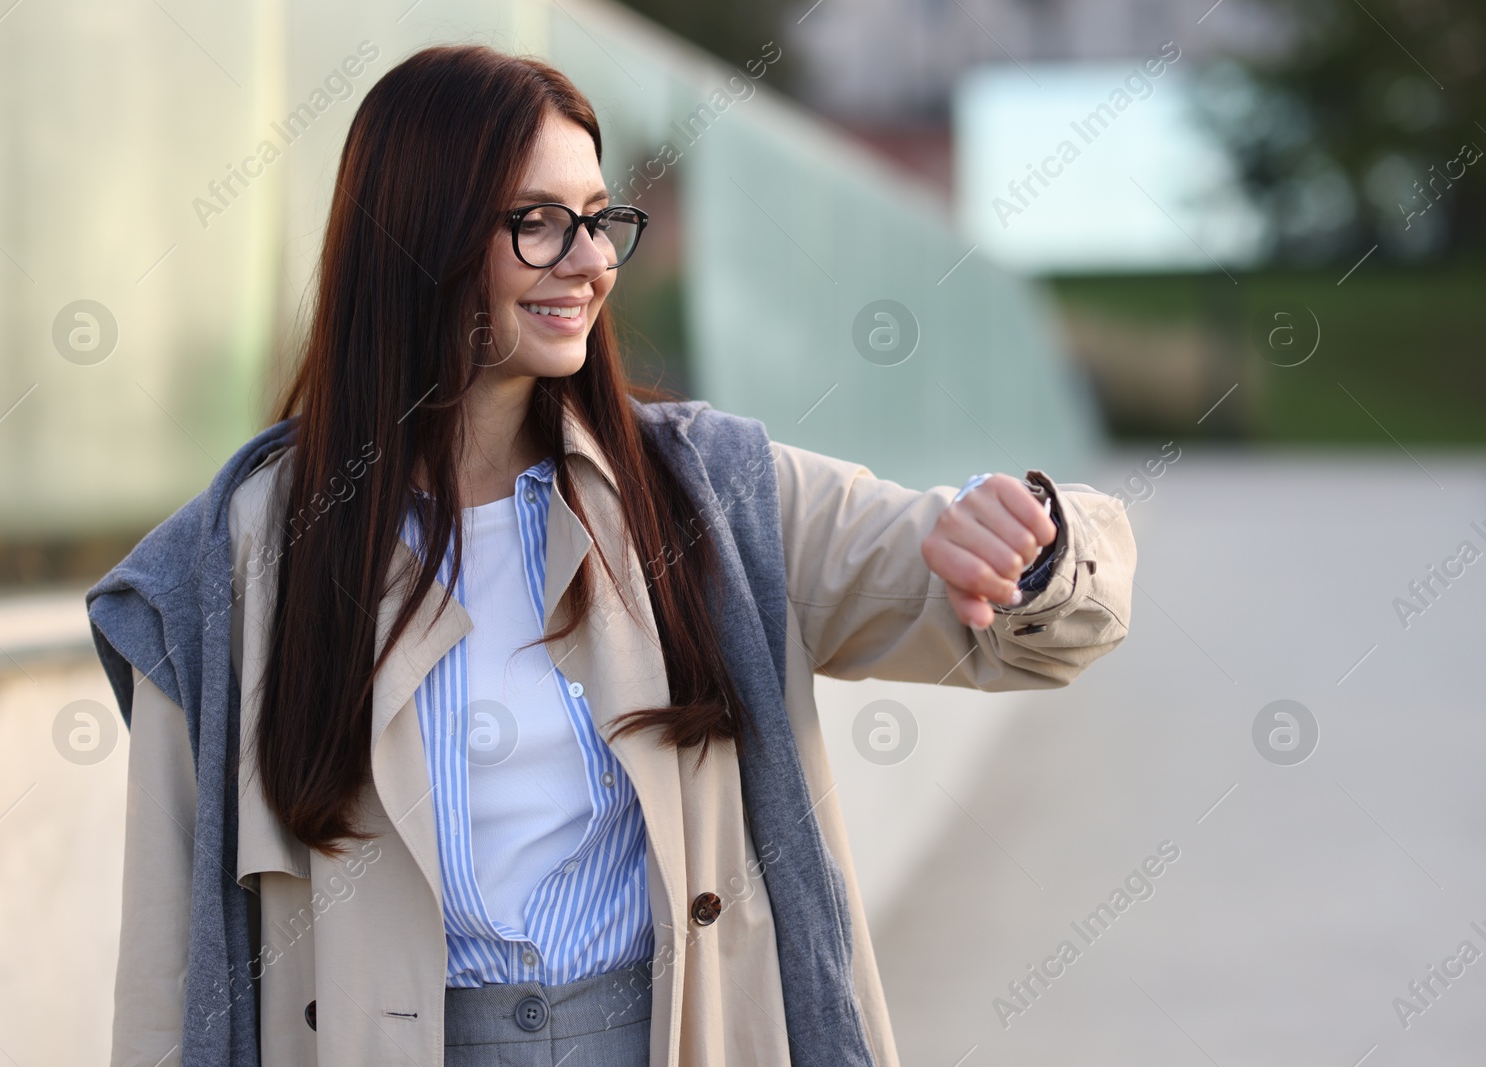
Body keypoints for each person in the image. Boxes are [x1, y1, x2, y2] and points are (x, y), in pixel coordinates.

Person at [87, 44, 1136, 1067]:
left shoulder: (707, 493)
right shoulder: (237, 562)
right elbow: (168, 971)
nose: (591, 263)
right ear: (418, 235)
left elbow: (1030, 635)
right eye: (539, 224)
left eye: (599, 220)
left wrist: (1030, 540)